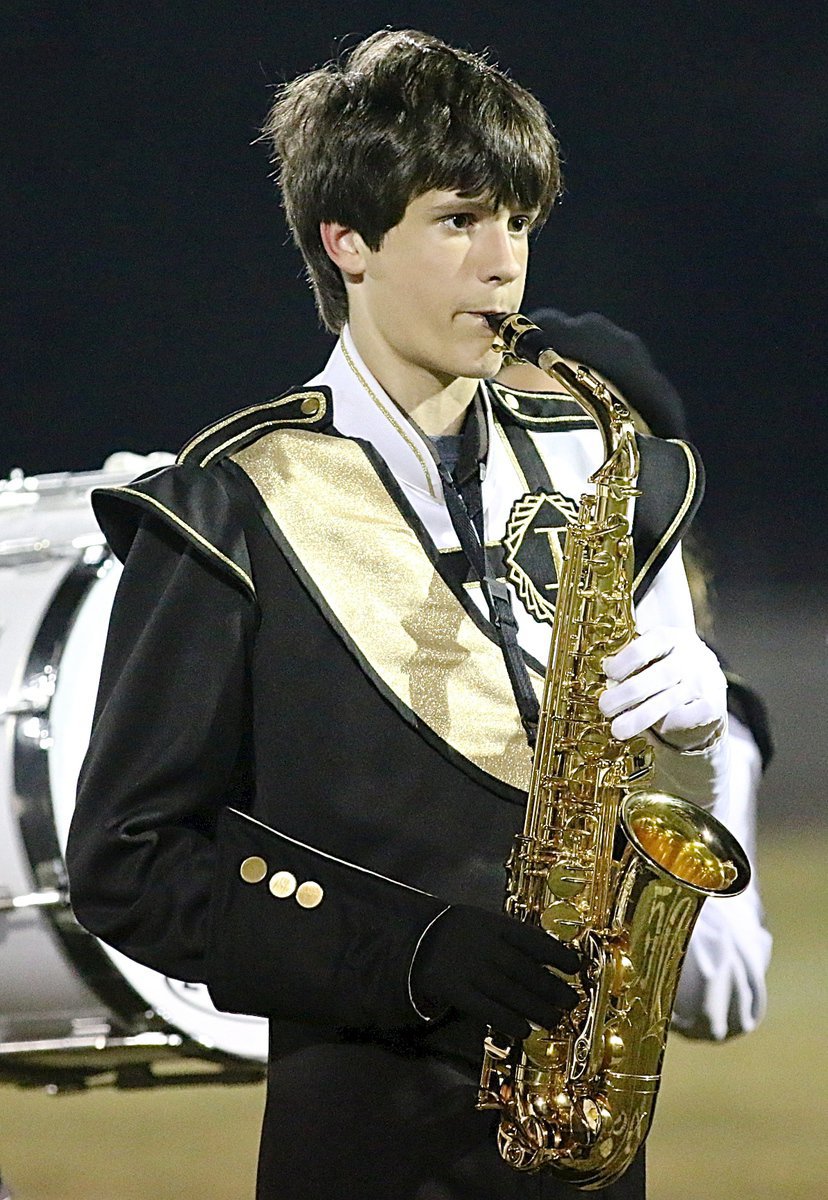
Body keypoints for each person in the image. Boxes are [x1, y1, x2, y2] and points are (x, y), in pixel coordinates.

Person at [66, 30, 766, 1199]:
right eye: (460, 221)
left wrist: (695, 737)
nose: (505, 267)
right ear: (347, 242)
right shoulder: (228, 503)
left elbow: (654, 807)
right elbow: (131, 865)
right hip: (367, 1149)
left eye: (522, 225)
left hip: (592, 1137)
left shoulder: (602, 464)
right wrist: (414, 954)